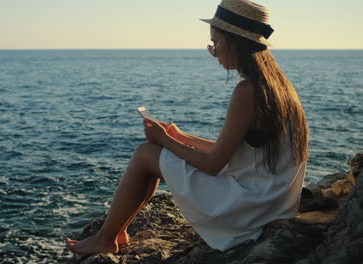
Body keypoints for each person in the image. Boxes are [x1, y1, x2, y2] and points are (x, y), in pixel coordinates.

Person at [66, 0, 308, 255]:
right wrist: (180, 137)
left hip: (248, 212)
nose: (213, 51)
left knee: (145, 153)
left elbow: (213, 165)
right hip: (271, 205)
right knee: (153, 152)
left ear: (236, 41)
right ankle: (117, 230)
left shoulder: (247, 92)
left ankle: (106, 238)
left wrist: (165, 140)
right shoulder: (280, 88)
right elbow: (237, 153)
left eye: (216, 42)